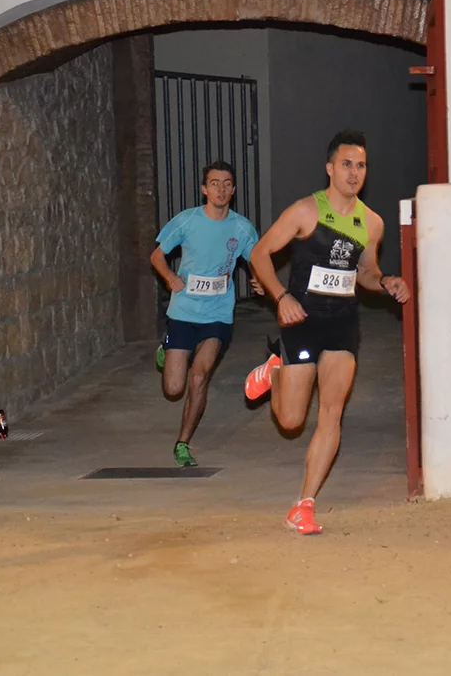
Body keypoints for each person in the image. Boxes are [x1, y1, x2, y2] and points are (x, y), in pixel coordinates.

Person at [243, 130, 410, 534]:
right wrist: (281, 296)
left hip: (342, 324)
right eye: (347, 164)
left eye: (361, 165)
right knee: (290, 420)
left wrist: (387, 282)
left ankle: (304, 504)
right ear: (330, 168)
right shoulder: (305, 211)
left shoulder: (371, 222)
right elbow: (259, 252)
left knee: (332, 413)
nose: (355, 173)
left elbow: (366, 273)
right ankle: (275, 369)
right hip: (302, 320)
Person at [151, 160, 259, 467]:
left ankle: (183, 443)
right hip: (184, 311)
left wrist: (260, 279)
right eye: (214, 183)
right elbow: (156, 255)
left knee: (199, 376)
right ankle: (166, 347)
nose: (221, 189)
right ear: (204, 189)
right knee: (174, 389)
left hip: (217, 314)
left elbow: (258, 259)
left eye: (226, 183)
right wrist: (169, 277)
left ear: (233, 190)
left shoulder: (241, 227)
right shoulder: (187, 221)